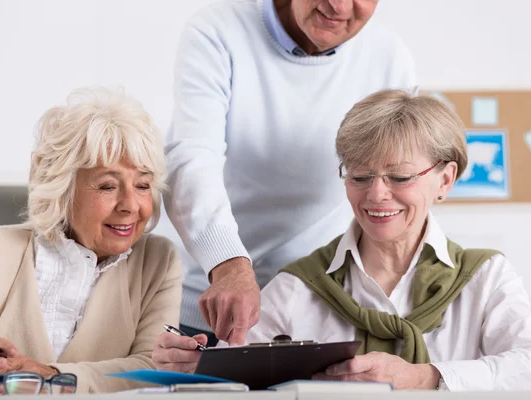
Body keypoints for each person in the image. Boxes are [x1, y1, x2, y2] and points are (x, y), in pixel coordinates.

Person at [154, 89, 531, 390]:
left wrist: (425, 377)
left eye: (399, 178)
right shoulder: (296, 287)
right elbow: (232, 376)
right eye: (360, 177)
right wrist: (192, 366)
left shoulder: (487, 277)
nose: (377, 195)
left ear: (445, 180)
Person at [162, 0, 416, 345]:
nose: (339, 6)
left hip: (325, 311)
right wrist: (228, 264)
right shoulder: (217, 31)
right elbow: (191, 156)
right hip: (215, 306)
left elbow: (403, 184)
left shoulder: (388, 55)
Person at [0, 87, 183, 395]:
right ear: (61, 186)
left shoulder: (158, 262)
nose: (131, 205)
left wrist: (51, 376)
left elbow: (153, 370)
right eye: (108, 186)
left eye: (143, 185)